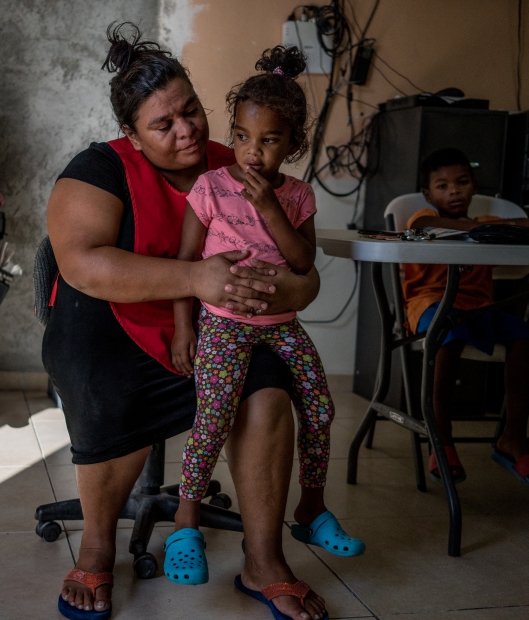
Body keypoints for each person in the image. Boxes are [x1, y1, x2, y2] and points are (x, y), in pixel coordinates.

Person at [44, 23, 330, 620]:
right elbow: (81, 264)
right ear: (131, 134)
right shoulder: (100, 168)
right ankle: (98, 544)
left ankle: (265, 560)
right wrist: (197, 281)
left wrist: (283, 287)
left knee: (271, 386)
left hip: (224, 330)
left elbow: (304, 275)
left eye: (192, 111)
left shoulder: (246, 167)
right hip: (121, 324)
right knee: (94, 361)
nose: (187, 130)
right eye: (163, 124)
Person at [165, 46, 363, 590]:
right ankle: (186, 520)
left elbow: (302, 263)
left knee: (320, 409)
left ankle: (311, 510)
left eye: (269, 140)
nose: (252, 153)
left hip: (282, 328)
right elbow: (185, 266)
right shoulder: (209, 187)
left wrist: (271, 209)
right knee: (214, 418)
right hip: (225, 325)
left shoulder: (298, 196)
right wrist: (186, 328)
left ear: (293, 144)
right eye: (243, 137)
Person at [403, 147, 529, 490]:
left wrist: (489, 228)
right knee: (449, 335)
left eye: (462, 182)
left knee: (526, 336)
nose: (453, 191)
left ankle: (513, 438)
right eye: (442, 186)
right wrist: (470, 228)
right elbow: (421, 224)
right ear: (428, 194)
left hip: (478, 308)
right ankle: (442, 437)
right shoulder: (425, 217)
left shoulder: (485, 224)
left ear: (474, 187)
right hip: (430, 305)